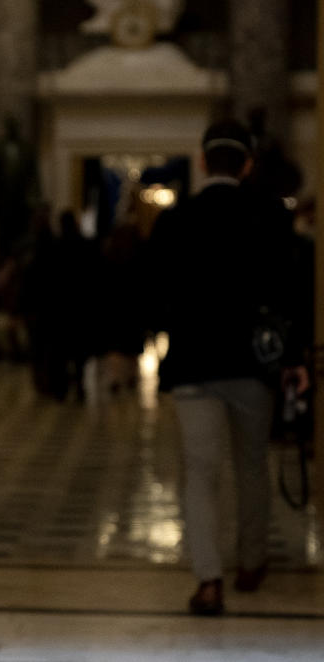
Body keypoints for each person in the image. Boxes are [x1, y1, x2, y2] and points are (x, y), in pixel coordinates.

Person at [147, 119, 309, 616]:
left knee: (199, 472)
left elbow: (155, 291)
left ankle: (209, 579)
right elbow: (291, 292)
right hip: (252, 364)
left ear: (201, 161)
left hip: (194, 364)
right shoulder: (270, 216)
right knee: (252, 464)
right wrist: (295, 357)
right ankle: (252, 561)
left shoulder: (177, 220)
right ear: (247, 163)